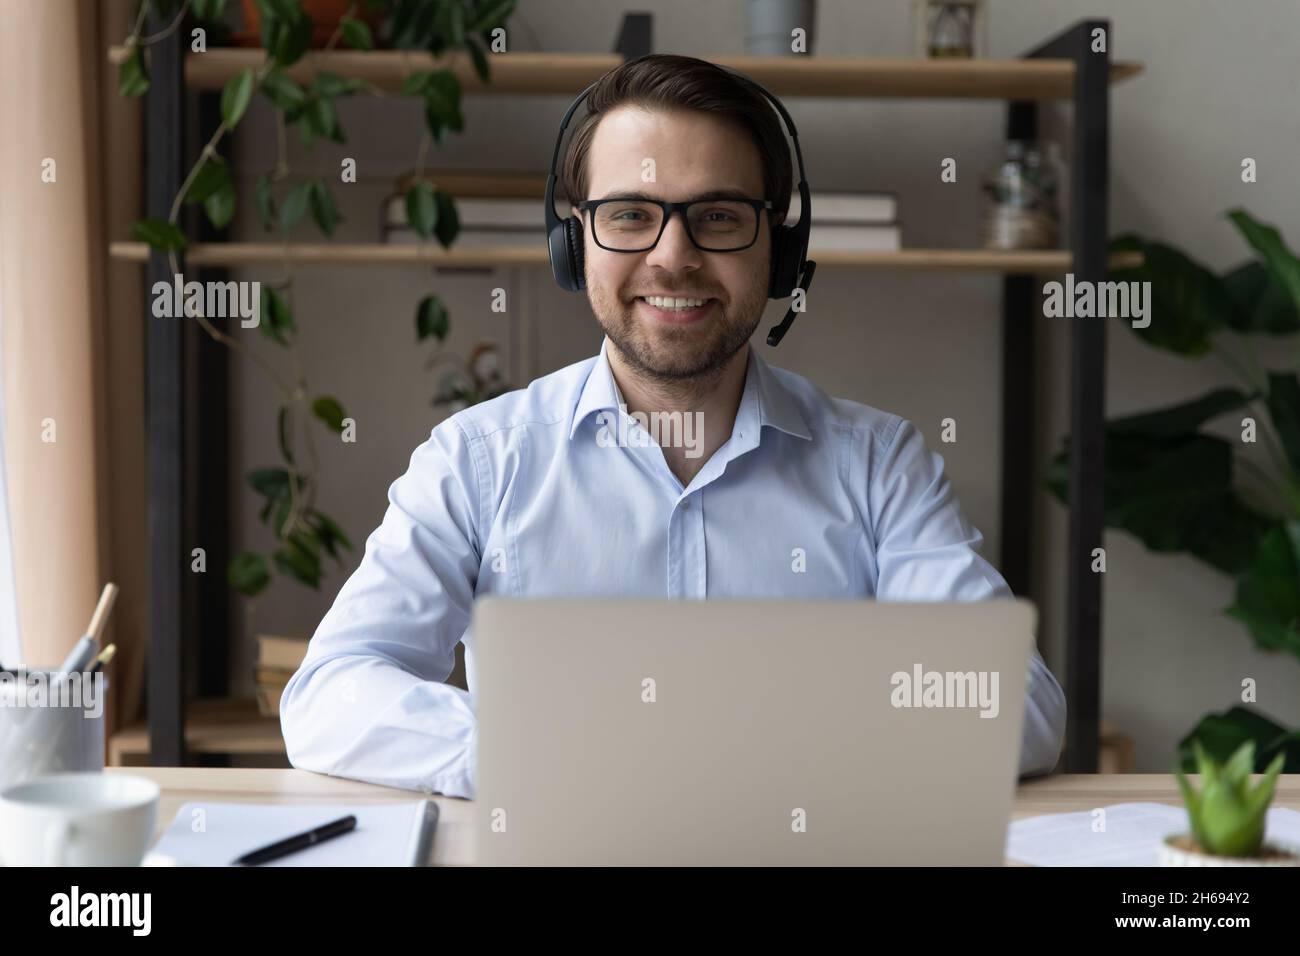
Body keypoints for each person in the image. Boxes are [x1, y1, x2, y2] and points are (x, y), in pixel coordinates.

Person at [280, 54, 1066, 798]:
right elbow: (331, 691)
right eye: (630, 214)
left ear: (782, 249)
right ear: (573, 242)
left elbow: (1018, 707)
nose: (674, 256)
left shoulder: (878, 465)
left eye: (718, 216)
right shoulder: (479, 462)